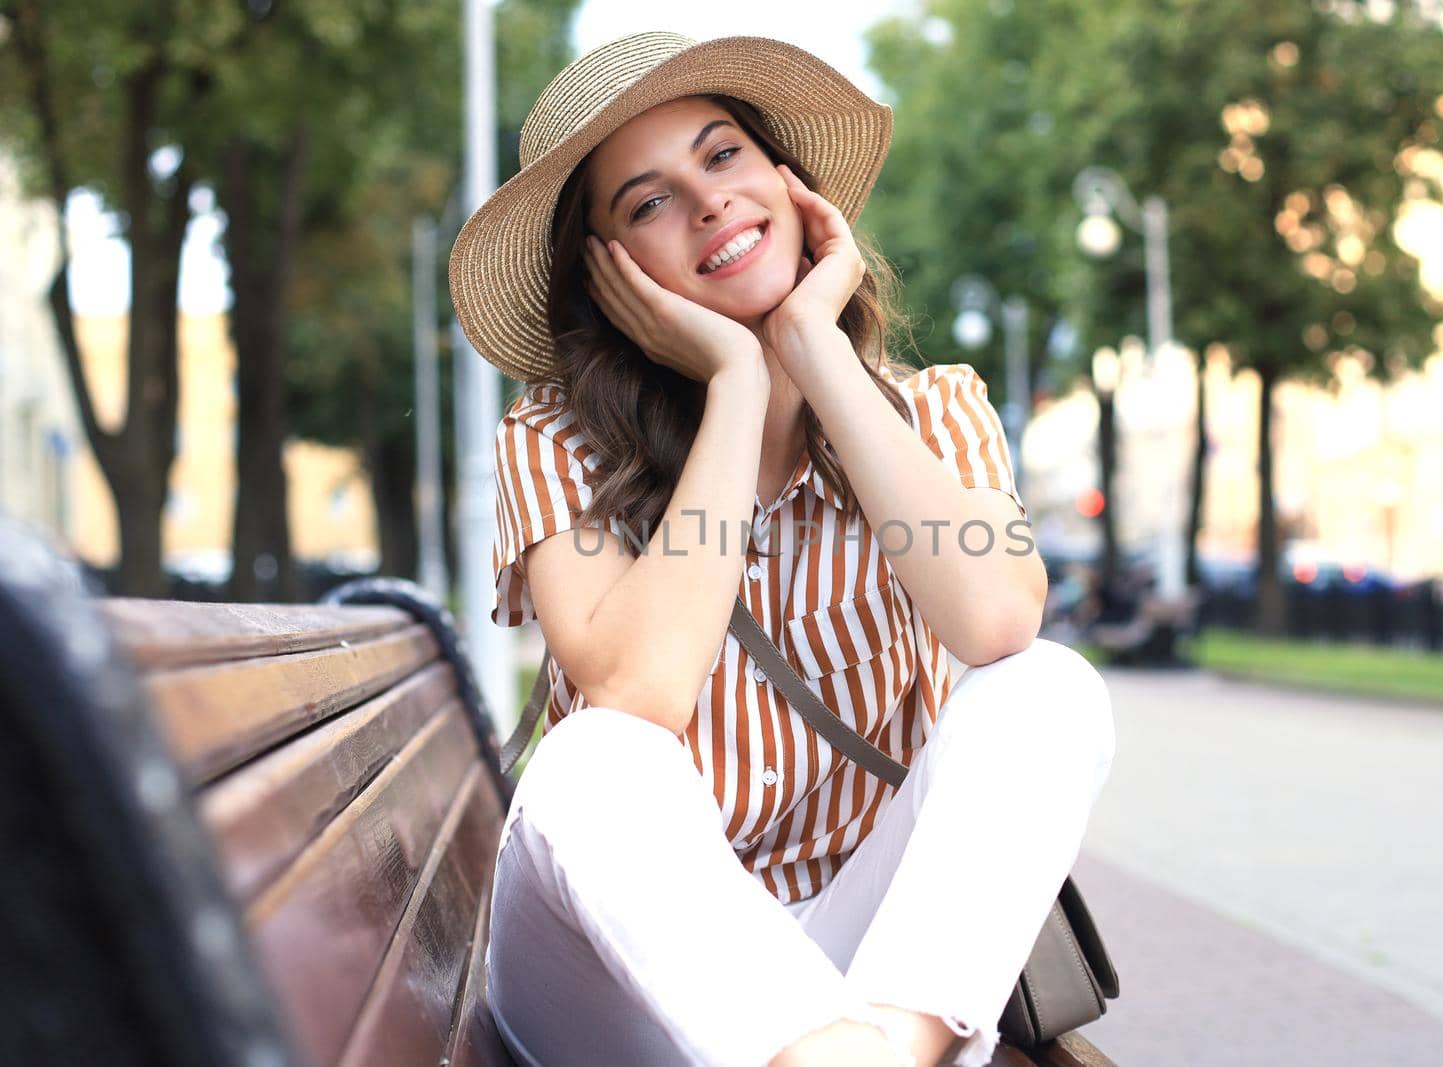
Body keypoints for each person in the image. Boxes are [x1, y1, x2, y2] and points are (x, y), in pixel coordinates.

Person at [448, 31, 1117, 1067]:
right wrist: (734, 382)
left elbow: (995, 619)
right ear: (608, 273)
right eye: (647, 201)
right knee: (589, 758)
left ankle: (874, 1055)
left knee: (1047, 685)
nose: (707, 200)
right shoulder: (552, 440)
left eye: (722, 157)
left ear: (790, 186)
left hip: (862, 964)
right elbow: (640, 690)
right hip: (615, 974)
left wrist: (813, 345)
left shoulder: (936, 410)